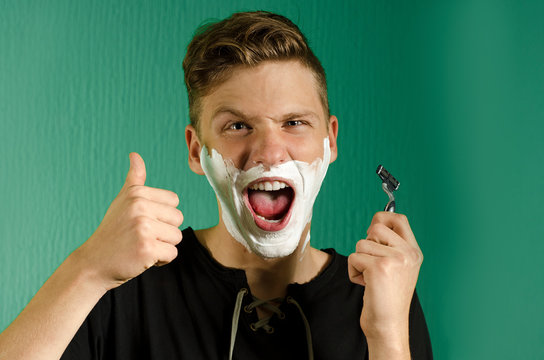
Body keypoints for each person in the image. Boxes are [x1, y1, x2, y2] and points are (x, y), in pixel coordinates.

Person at [0, 11, 432, 360]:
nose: (270, 152)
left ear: (330, 140)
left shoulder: (382, 294)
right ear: (195, 151)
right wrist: (87, 268)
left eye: (294, 123)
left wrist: (388, 334)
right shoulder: (124, 288)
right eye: (238, 125)